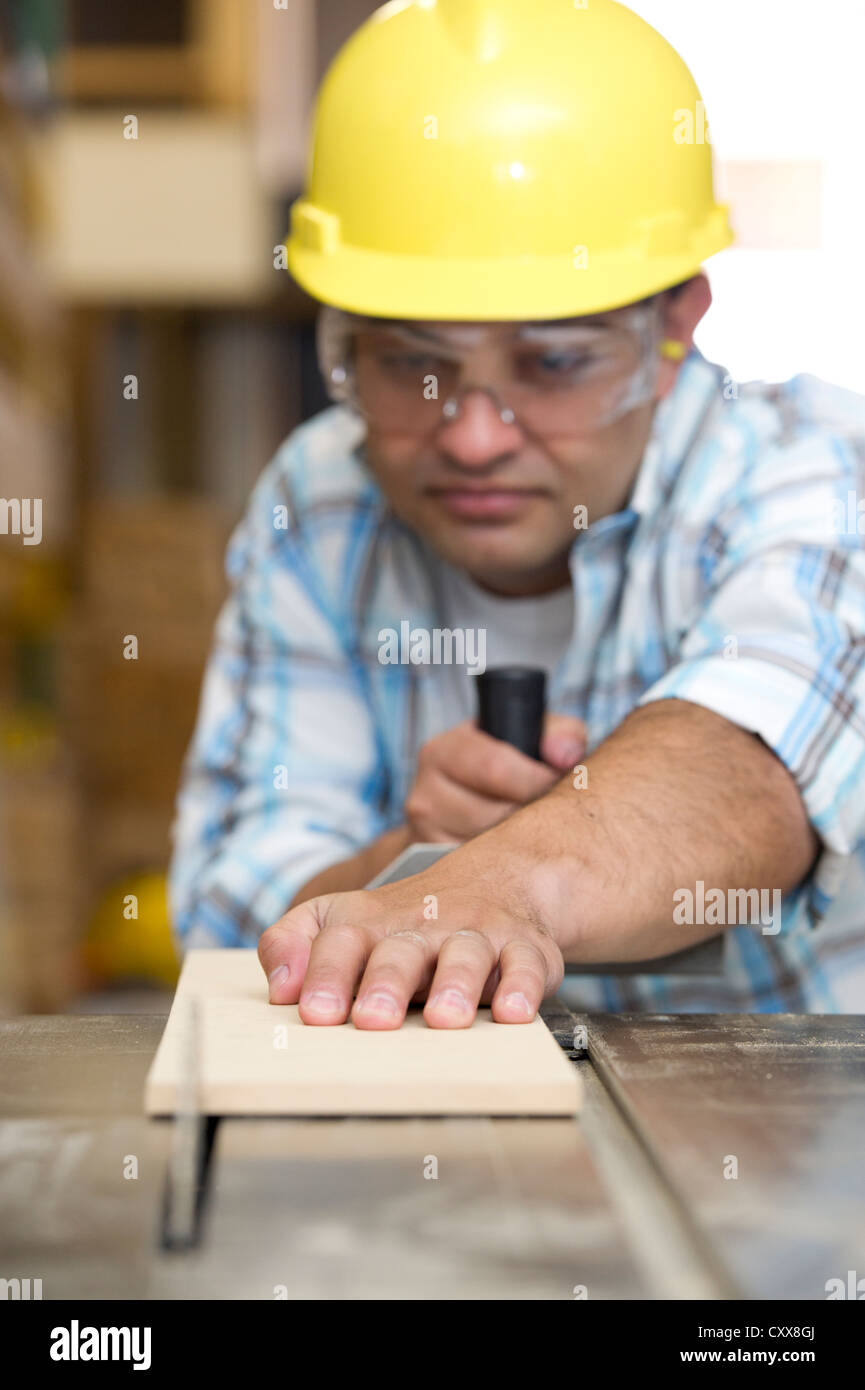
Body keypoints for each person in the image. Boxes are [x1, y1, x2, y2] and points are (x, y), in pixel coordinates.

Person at [170, 0, 865, 1026]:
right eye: (413, 364)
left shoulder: (815, 467)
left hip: (799, 1138)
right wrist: (405, 868)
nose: (475, 436)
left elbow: (755, 762)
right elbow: (230, 921)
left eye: (552, 363)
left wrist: (506, 881)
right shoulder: (316, 506)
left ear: (676, 328)